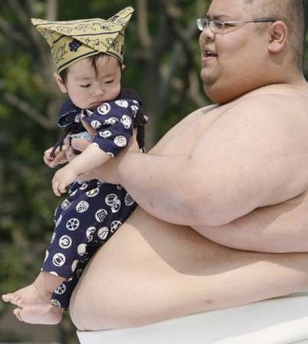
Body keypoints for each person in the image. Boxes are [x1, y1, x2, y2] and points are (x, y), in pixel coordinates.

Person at [65, 0, 308, 331]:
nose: (205, 35)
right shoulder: (261, 108)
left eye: (222, 25)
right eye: (205, 24)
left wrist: (122, 166)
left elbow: (201, 196)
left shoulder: (271, 109)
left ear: (275, 36)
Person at [2, 6, 148, 325]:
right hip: (93, 192)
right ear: (62, 83)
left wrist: (73, 168)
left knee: (74, 225)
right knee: (72, 238)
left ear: (121, 71)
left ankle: (43, 288)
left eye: (109, 80)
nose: (98, 92)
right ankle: (56, 305)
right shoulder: (81, 111)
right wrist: (58, 153)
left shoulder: (120, 107)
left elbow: (110, 143)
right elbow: (78, 137)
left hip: (116, 195)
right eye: (85, 86)